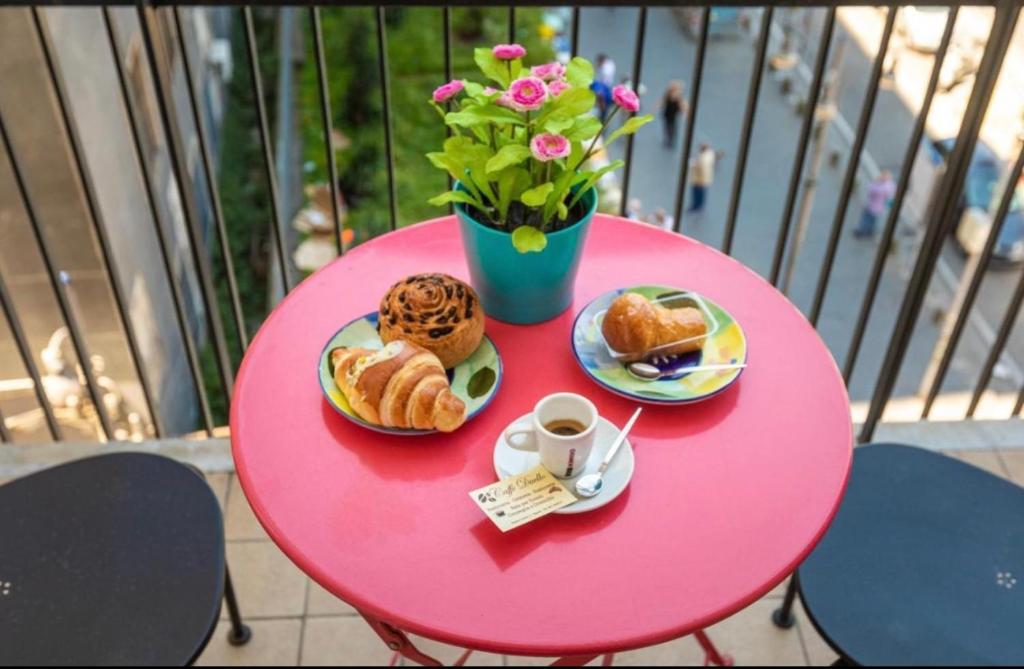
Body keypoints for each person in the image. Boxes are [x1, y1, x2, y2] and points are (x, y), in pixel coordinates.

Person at [854, 170, 896, 238]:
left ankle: (862, 231)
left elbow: (870, 189)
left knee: (867, 219)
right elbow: (891, 193)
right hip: (877, 207)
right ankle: (868, 232)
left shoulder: (878, 186)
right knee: (871, 220)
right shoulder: (888, 186)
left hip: (872, 206)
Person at [688, 143, 717, 215]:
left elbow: (701, 168)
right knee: (701, 193)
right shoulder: (709, 155)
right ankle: (699, 206)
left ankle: (697, 206)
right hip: (703, 179)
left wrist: (694, 164)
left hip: (699, 179)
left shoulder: (703, 158)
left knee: (697, 193)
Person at [658, 81, 688, 148]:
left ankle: (672, 137)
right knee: (667, 126)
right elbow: (662, 101)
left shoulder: (679, 98)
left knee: (673, 127)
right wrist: (656, 107)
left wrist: (685, 114)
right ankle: (668, 137)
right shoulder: (667, 96)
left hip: (674, 114)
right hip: (667, 113)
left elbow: (683, 105)